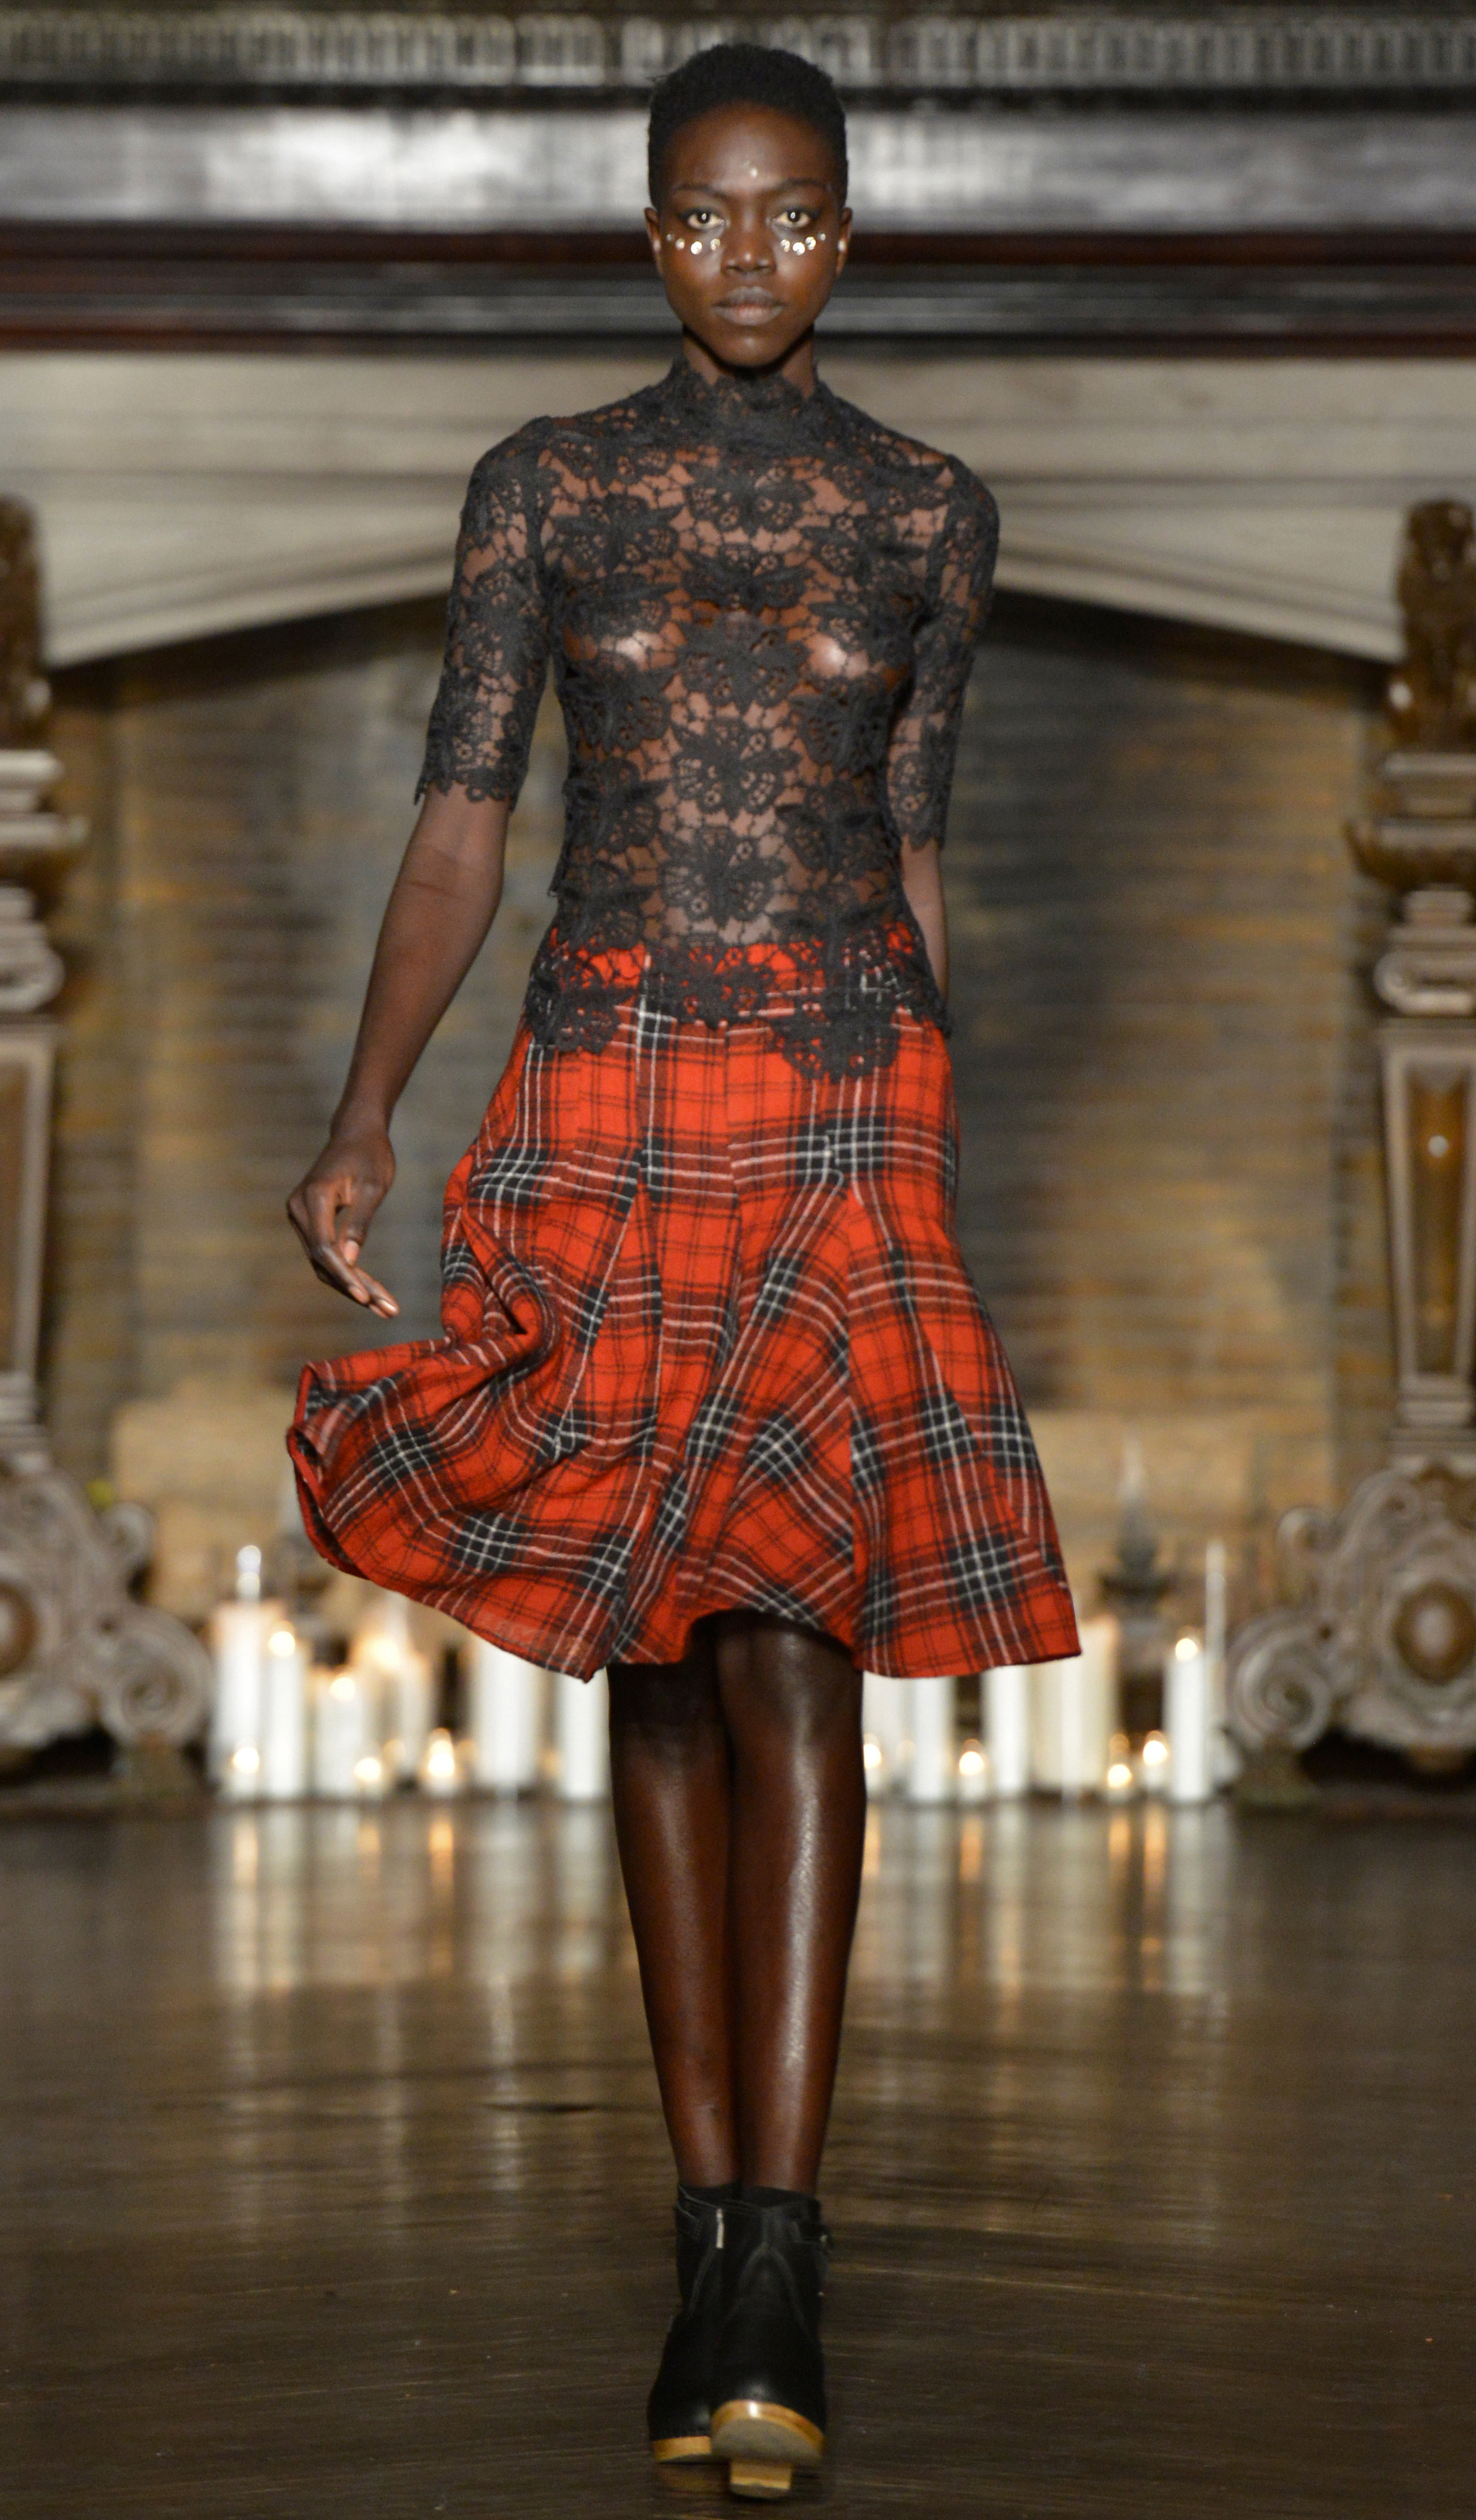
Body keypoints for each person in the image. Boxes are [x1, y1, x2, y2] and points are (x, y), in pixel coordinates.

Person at [287, 41, 1076, 2501]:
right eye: (710, 216)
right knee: (650, 1637)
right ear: (650, 233)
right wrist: (364, 1108)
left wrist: (937, 1139)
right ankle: (701, 2209)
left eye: (795, 213)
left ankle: (775, 2254)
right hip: (604, 1077)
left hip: (844, 1081)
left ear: (850, 231)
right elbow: (462, 820)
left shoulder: (929, 513)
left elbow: (915, 844)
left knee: (797, 1634)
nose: (752, 254)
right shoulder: (545, 487)